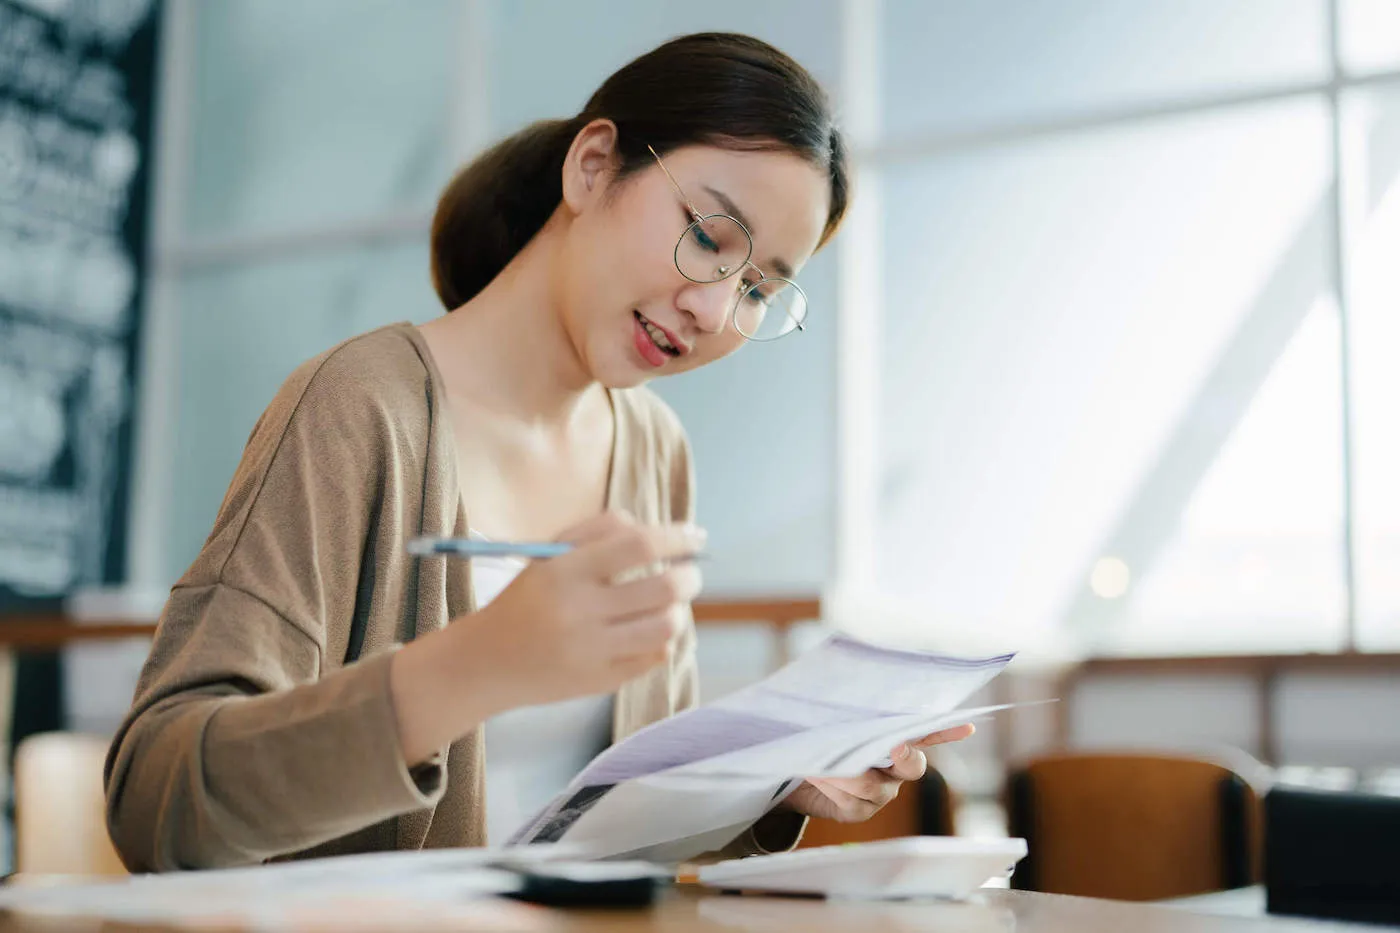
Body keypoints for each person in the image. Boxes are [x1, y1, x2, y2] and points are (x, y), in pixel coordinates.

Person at [103, 31, 972, 872]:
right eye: (709, 237)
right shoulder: (363, 408)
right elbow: (158, 801)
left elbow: (621, 836)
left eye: (757, 288)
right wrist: (474, 666)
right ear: (593, 165)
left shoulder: (653, 453)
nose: (714, 309)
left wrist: (774, 788)